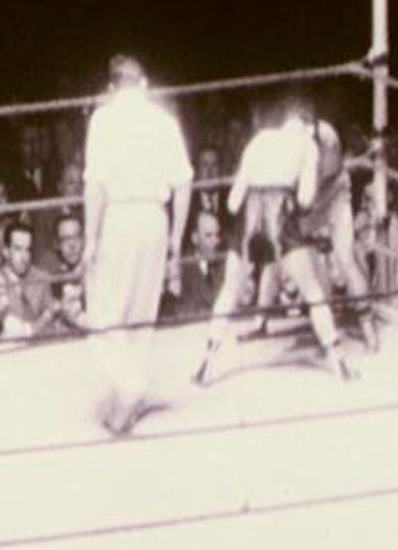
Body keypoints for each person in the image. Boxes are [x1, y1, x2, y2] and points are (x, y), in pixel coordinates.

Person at [192, 99, 360, 386]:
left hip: (248, 214)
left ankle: (206, 363)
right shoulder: (306, 145)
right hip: (281, 213)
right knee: (312, 290)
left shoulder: (258, 140)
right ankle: (339, 363)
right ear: (306, 127)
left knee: (229, 290)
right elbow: (305, 199)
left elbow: (232, 202)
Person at [82, 54, 194, 435]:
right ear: (144, 84)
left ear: (111, 88)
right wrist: (175, 239)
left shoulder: (103, 118)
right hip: (155, 218)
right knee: (142, 311)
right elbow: (183, 182)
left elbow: (95, 184)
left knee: (104, 311)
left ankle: (130, 385)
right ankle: (128, 394)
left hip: (119, 217)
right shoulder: (163, 120)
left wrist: (90, 238)